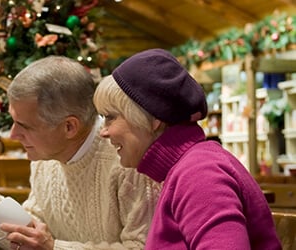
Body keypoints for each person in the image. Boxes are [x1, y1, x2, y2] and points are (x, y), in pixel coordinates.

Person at [0, 56, 160, 250]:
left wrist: (53, 248)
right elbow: (31, 234)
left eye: (24, 125)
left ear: (69, 127)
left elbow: (140, 247)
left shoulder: (128, 160)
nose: (13, 135)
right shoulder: (46, 157)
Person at [92, 48, 281, 249]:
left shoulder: (199, 173)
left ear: (153, 118)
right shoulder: (186, 167)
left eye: (111, 117)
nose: (104, 132)